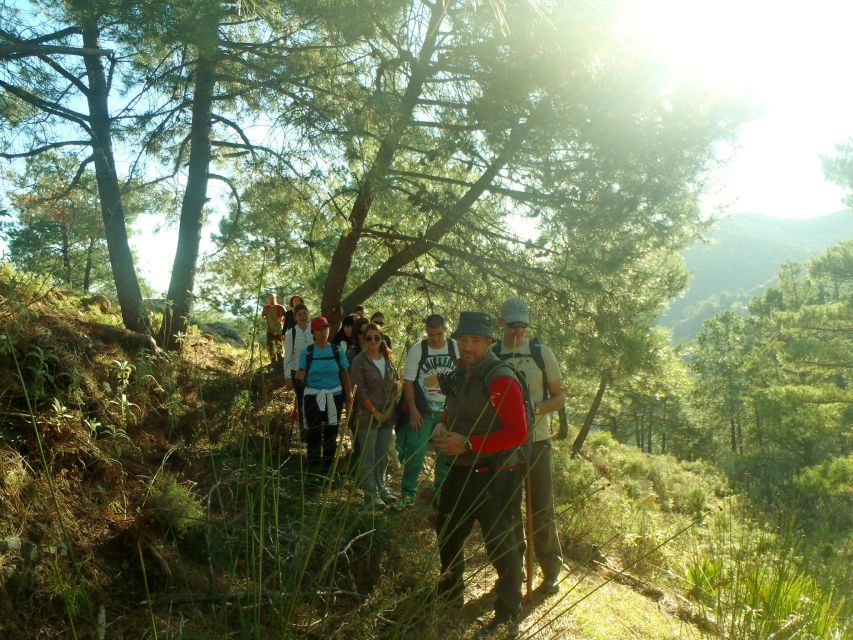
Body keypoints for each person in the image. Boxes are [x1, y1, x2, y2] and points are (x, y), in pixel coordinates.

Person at [432, 311, 526, 637]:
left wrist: (469, 443)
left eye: (475, 340)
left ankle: (509, 611)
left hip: (496, 474)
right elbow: (452, 410)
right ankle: (449, 593)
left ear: (488, 342)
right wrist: (442, 426)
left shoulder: (500, 379)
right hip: (460, 470)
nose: (467, 346)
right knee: (447, 531)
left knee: (500, 544)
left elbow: (518, 433)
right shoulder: (462, 372)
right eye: (463, 340)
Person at [496, 297, 565, 596]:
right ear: (502, 322)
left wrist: (534, 410)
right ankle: (514, 570)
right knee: (508, 509)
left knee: (542, 509)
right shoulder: (493, 354)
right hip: (504, 444)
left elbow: (559, 398)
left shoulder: (541, 353)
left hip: (537, 441)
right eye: (513, 324)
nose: (518, 330)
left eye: (523, 325)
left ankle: (551, 572)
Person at [392, 314, 458, 510]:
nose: (435, 338)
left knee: (445, 454)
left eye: (439, 334)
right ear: (426, 332)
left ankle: (441, 495)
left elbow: (464, 375)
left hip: (448, 409)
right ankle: (408, 493)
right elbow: (409, 381)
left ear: (445, 330)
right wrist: (413, 409)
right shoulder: (418, 349)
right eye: (431, 334)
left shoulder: (454, 347)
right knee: (415, 449)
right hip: (424, 409)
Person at [349, 323, 400, 507]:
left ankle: (381, 488)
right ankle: (371, 494)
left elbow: (394, 386)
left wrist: (390, 408)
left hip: (387, 416)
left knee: (382, 456)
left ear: (381, 339)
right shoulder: (359, 361)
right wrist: (374, 412)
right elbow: (360, 390)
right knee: (368, 456)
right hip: (367, 416)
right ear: (364, 340)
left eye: (376, 337)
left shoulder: (387, 359)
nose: (373, 341)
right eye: (369, 338)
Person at [296, 316, 351, 470]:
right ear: (313, 332)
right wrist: (300, 377)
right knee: (313, 433)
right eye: (319, 329)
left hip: (334, 396)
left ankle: (326, 469)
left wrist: (349, 396)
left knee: (331, 433)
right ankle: (313, 470)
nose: (322, 332)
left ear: (329, 329)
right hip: (312, 397)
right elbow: (301, 375)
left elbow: (345, 373)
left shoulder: (337, 351)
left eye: (325, 328)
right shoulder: (307, 352)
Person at [284, 304, 313, 434]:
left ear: (308, 314)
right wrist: (288, 377)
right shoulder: (291, 333)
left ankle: (315, 433)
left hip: (313, 372)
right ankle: (304, 436)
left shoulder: (315, 330)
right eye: (299, 314)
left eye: (304, 313)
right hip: (297, 373)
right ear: (295, 317)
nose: (302, 317)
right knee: (302, 404)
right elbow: (288, 357)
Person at [261, 293, 285, 367]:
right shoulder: (266, 308)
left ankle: (280, 361)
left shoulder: (280, 307)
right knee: (270, 347)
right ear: (268, 299)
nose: (271, 300)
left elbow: (286, 315)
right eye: (270, 298)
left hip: (278, 330)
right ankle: (273, 362)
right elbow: (263, 315)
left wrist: (282, 318)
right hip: (269, 330)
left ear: (275, 298)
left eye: (273, 298)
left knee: (278, 346)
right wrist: (264, 317)